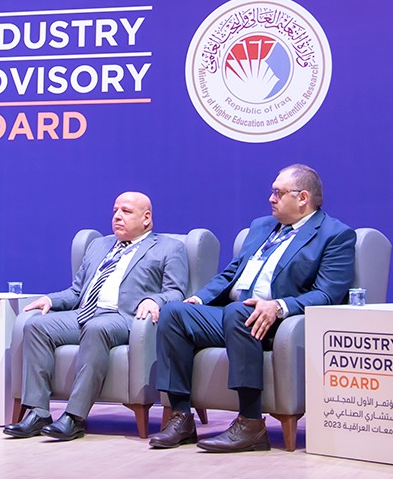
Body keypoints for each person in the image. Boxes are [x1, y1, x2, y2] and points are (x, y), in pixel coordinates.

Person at [148, 165, 355, 452]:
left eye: (278, 193)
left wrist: (279, 306)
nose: (271, 198)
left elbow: (328, 294)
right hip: (232, 314)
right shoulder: (261, 227)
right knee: (174, 313)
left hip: (278, 323)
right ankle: (181, 417)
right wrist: (200, 299)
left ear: (303, 198)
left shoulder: (335, 235)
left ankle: (251, 423)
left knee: (240, 312)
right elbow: (231, 273)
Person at [4, 192, 188, 442]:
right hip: (85, 312)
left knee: (96, 327)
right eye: (115, 211)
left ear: (146, 218)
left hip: (125, 318)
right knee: (36, 326)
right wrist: (50, 300)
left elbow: (176, 292)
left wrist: (155, 300)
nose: (117, 216)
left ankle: (74, 417)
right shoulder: (99, 245)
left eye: (126, 211)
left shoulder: (169, 247)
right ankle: (38, 413)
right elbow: (76, 291)